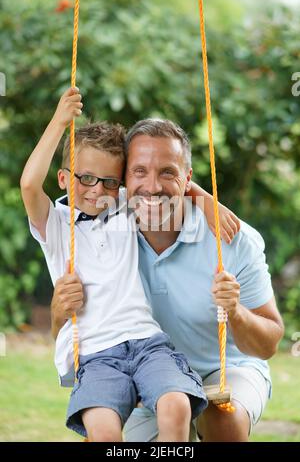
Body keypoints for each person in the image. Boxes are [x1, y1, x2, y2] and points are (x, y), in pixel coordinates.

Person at [51, 117, 285, 442]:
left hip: (223, 368)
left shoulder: (232, 238)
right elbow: (67, 332)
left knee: (221, 418)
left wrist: (234, 311)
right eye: (139, 172)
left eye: (168, 172)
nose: (152, 186)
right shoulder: (105, 229)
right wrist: (57, 312)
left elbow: (269, 343)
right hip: (145, 373)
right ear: (122, 181)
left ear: (187, 177)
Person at [20, 87, 211, 442]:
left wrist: (209, 201)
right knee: (104, 432)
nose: (96, 190)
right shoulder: (56, 226)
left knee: (176, 407)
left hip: (147, 341)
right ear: (64, 178)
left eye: (109, 181)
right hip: (95, 355)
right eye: (85, 177)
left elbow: (165, 179)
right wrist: (60, 122)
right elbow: (30, 184)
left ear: (120, 184)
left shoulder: (124, 207)